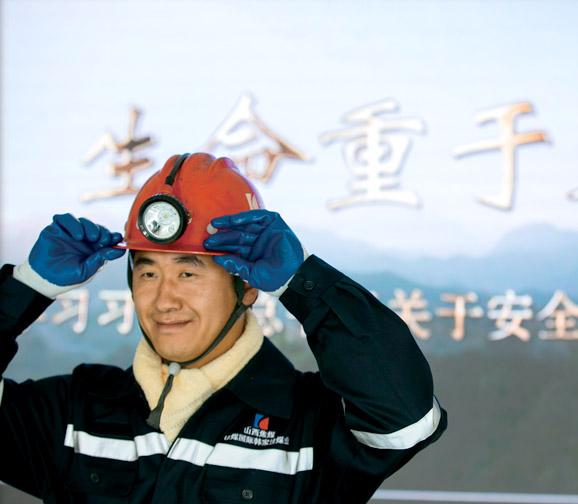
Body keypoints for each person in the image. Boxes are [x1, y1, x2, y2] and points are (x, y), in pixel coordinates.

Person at [0, 153, 447, 503]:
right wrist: (26, 286)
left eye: (188, 272)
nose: (164, 300)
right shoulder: (76, 413)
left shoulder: (309, 425)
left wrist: (303, 282)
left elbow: (405, 418)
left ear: (246, 287)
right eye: (148, 272)